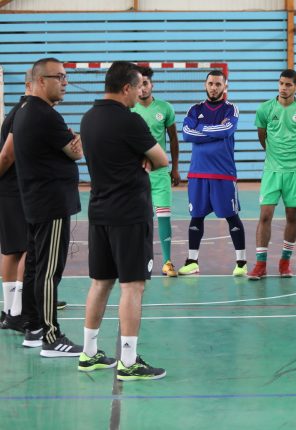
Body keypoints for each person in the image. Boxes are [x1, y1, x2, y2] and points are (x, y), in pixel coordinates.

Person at [79, 61, 167, 379]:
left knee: (100, 282)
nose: (142, 91)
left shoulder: (88, 119)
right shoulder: (130, 121)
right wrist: (141, 157)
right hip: (129, 213)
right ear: (127, 88)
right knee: (133, 286)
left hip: (99, 211)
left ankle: (88, 353)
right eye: (139, 85)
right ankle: (128, 361)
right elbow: (161, 159)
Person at [12, 57, 82, 356]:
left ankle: (33, 328)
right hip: (51, 202)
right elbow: (76, 152)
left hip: (35, 199)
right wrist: (75, 138)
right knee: (49, 270)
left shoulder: (24, 111)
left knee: (35, 266)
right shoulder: (45, 115)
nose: (65, 82)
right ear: (41, 81)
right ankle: (52, 337)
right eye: (59, 77)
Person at [249, 69, 296, 279]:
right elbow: (263, 138)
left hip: (295, 171)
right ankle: (260, 264)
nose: (283, 88)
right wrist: (275, 157)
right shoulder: (264, 109)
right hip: (272, 170)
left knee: (292, 216)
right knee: (265, 215)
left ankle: (285, 262)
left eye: (288, 84)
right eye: (281, 83)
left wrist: (293, 156)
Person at [179, 70, 246, 276]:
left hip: (223, 173)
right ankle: (192, 261)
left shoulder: (230, 109)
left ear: (225, 86)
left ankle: (241, 263)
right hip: (198, 173)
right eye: (210, 83)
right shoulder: (194, 109)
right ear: (205, 85)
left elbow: (226, 131)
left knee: (231, 216)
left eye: (218, 84)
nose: (214, 87)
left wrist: (201, 129)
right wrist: (212, 131)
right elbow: (186, 134)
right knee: (196, 216)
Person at [132, 66, 181, 277]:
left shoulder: (165, 108)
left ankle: (168, 261)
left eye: (145, 83)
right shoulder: (130, 109)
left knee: (163, 216)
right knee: (140, 218)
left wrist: (176, 168)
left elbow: (173, 139)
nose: (142, 89)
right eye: (138, 84)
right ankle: (139, 260)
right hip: (136, 172)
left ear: (152, 85)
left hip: (160, 172)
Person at [0, 70, 31, 332]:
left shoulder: (17, 110)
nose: (64, 82)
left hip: (10, 191)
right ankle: (18, 310)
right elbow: (6, 156)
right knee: (24, 249)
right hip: (16, 190)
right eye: (59, 77)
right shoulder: (25, 112)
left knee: (10, 249)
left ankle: (10, 309)